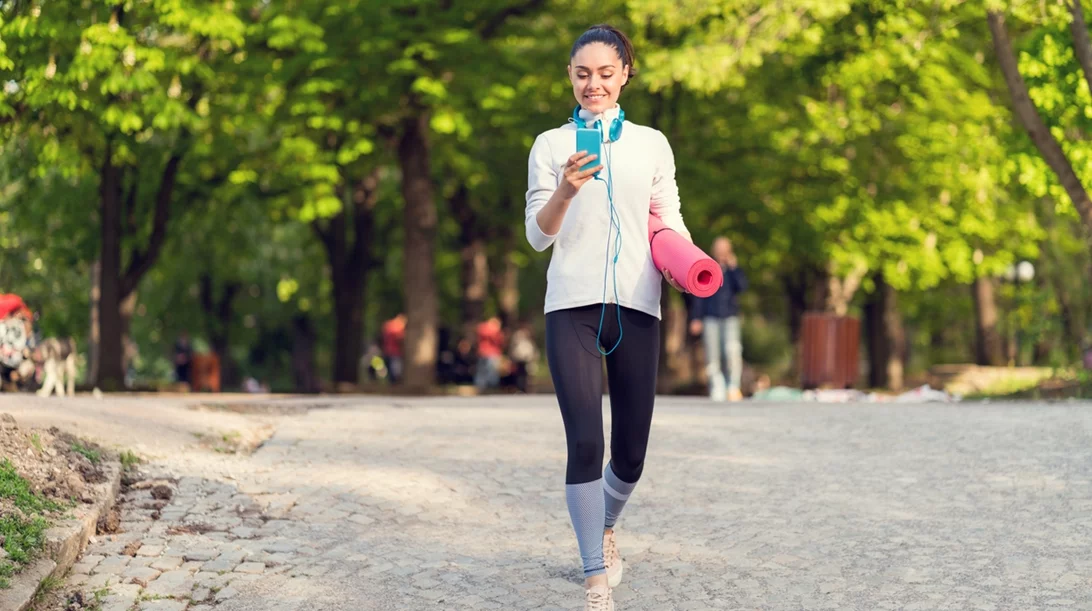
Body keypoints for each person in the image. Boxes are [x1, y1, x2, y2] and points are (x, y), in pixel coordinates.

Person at [524, 23, 693, 611]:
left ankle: (606, 523)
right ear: (569, 77)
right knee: (584, 441)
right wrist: (565, 191)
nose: (592, 84)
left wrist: (686, 264)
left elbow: (668, 218)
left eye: (604, 73)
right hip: (570, 305)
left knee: (632, 451)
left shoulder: (652, 144)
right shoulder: (550, 145)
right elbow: (536, 236)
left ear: (625, 74)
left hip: (637, 304)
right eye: (581, 73)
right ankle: (596, 577)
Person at [688, 236, 748, 401]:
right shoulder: (707, 266)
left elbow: (743, 288)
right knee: (712, 355)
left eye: (725, 248)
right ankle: (717, 388)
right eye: (719, 248)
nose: (722, 251)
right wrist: (696, 318)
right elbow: (699, 294)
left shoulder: (733, 270)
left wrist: (734, 268)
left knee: (733, 352)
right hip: (710, 316)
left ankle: (733, 387)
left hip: (730, 317)